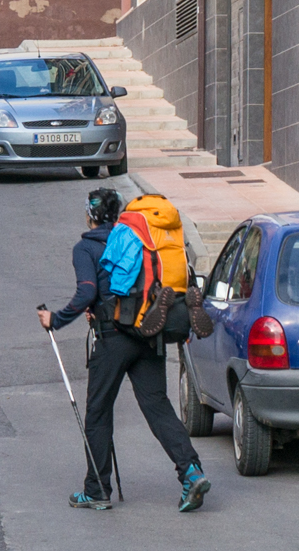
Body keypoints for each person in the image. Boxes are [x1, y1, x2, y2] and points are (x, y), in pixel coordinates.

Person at [39, 188, 211, 513]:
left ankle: (97, 489)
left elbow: (87, 291)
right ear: (118, 212)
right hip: (148, 330)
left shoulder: (85, 248)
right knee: (158, 407)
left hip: (113, 336)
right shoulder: (139, 239)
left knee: (99, 412)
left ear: (89, 214)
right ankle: (191, 472)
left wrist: (55, 319)